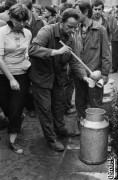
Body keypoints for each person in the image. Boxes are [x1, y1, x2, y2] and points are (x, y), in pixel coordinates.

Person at [28, 8, 88, 152]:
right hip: (41, 77)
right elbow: (32, 49)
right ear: (61, 21)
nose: (72, 30)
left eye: (75, 27)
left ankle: (60, 129)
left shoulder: (70, 38)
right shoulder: (46, 31)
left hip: (58, 76)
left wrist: (84, 77)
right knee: (45, 109)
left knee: (59, 105)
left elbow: (74, 61)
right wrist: (56, 52)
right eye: (69, 26)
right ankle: (51, 138)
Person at [0, 4, 32, 154]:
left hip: (22, 75)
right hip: (3, 75)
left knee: (15, 108)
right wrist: (11, 79)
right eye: (19, 21)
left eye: (24, 21)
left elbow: (27, 51)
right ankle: (17, 118)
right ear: (11, 18)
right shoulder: (1, 33)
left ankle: (13, 141)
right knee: (6, 107)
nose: (22, 24)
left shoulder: (28, 33)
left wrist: (27, 59)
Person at [74, 0, 111, 119]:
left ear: (85, 12)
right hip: (80, 74)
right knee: (80, 102)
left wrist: (104, 74)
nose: (74, 15)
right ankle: (82, 127)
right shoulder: (76, 29)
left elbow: (106, 53)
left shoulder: (100, 29)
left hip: (94, 74)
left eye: (77, 12)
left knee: (95, 104)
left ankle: (96, 129)